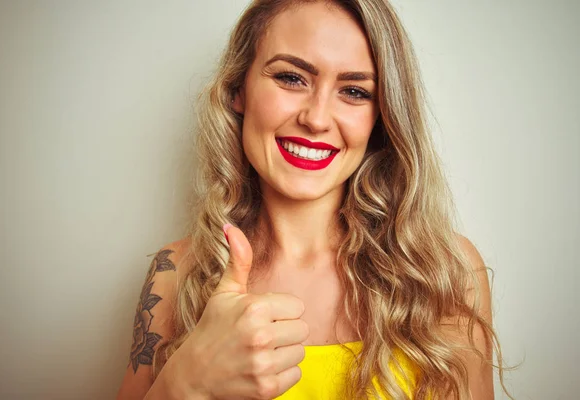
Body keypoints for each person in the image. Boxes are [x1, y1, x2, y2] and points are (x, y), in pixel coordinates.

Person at [116, 0, 509, 399]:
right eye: (291, 78)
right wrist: (185, 382)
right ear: (239, 89)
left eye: (354, 91)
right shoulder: (176, 272)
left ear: (382, 116)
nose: (317, 119)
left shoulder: (446, 273)